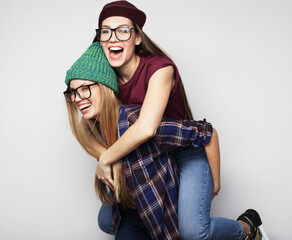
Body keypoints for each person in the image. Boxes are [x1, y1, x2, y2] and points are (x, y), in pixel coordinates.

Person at [63, 41, 264, 240]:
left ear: (105, 87)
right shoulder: (90, 128)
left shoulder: (134, 120)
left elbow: (207, 133)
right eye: (72, 92)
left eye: (85, 88)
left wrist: (216, 184)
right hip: (137, 198)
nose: (78, 98)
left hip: (188, 156)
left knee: (193, 232)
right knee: (106, 221)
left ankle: (248, 227)